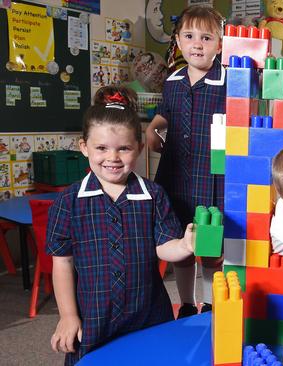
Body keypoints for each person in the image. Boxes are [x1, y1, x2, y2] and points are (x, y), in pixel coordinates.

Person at [46, 86, 196, 365]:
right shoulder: (68, 202)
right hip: (94, 318)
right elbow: (62, 263)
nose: (112, 158)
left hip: (148, 315)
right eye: (101, 148)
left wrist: (186, 245)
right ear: (84, 147)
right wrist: (68, 315)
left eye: (123, 148)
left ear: (139, 149)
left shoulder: (153, 195)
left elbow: (164, 247)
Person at [145, 5, 226, 318]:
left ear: (219, 44)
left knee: (209, 247)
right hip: (175, 177)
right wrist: (154, 128)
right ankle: (188, 303)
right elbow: (163, 115)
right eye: (190, 36)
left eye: (206, 38)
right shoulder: (174, 80)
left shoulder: (229, 80)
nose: (197, 44)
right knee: (181, 246)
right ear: (178, 41)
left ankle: (210, 302)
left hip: (212, 176)